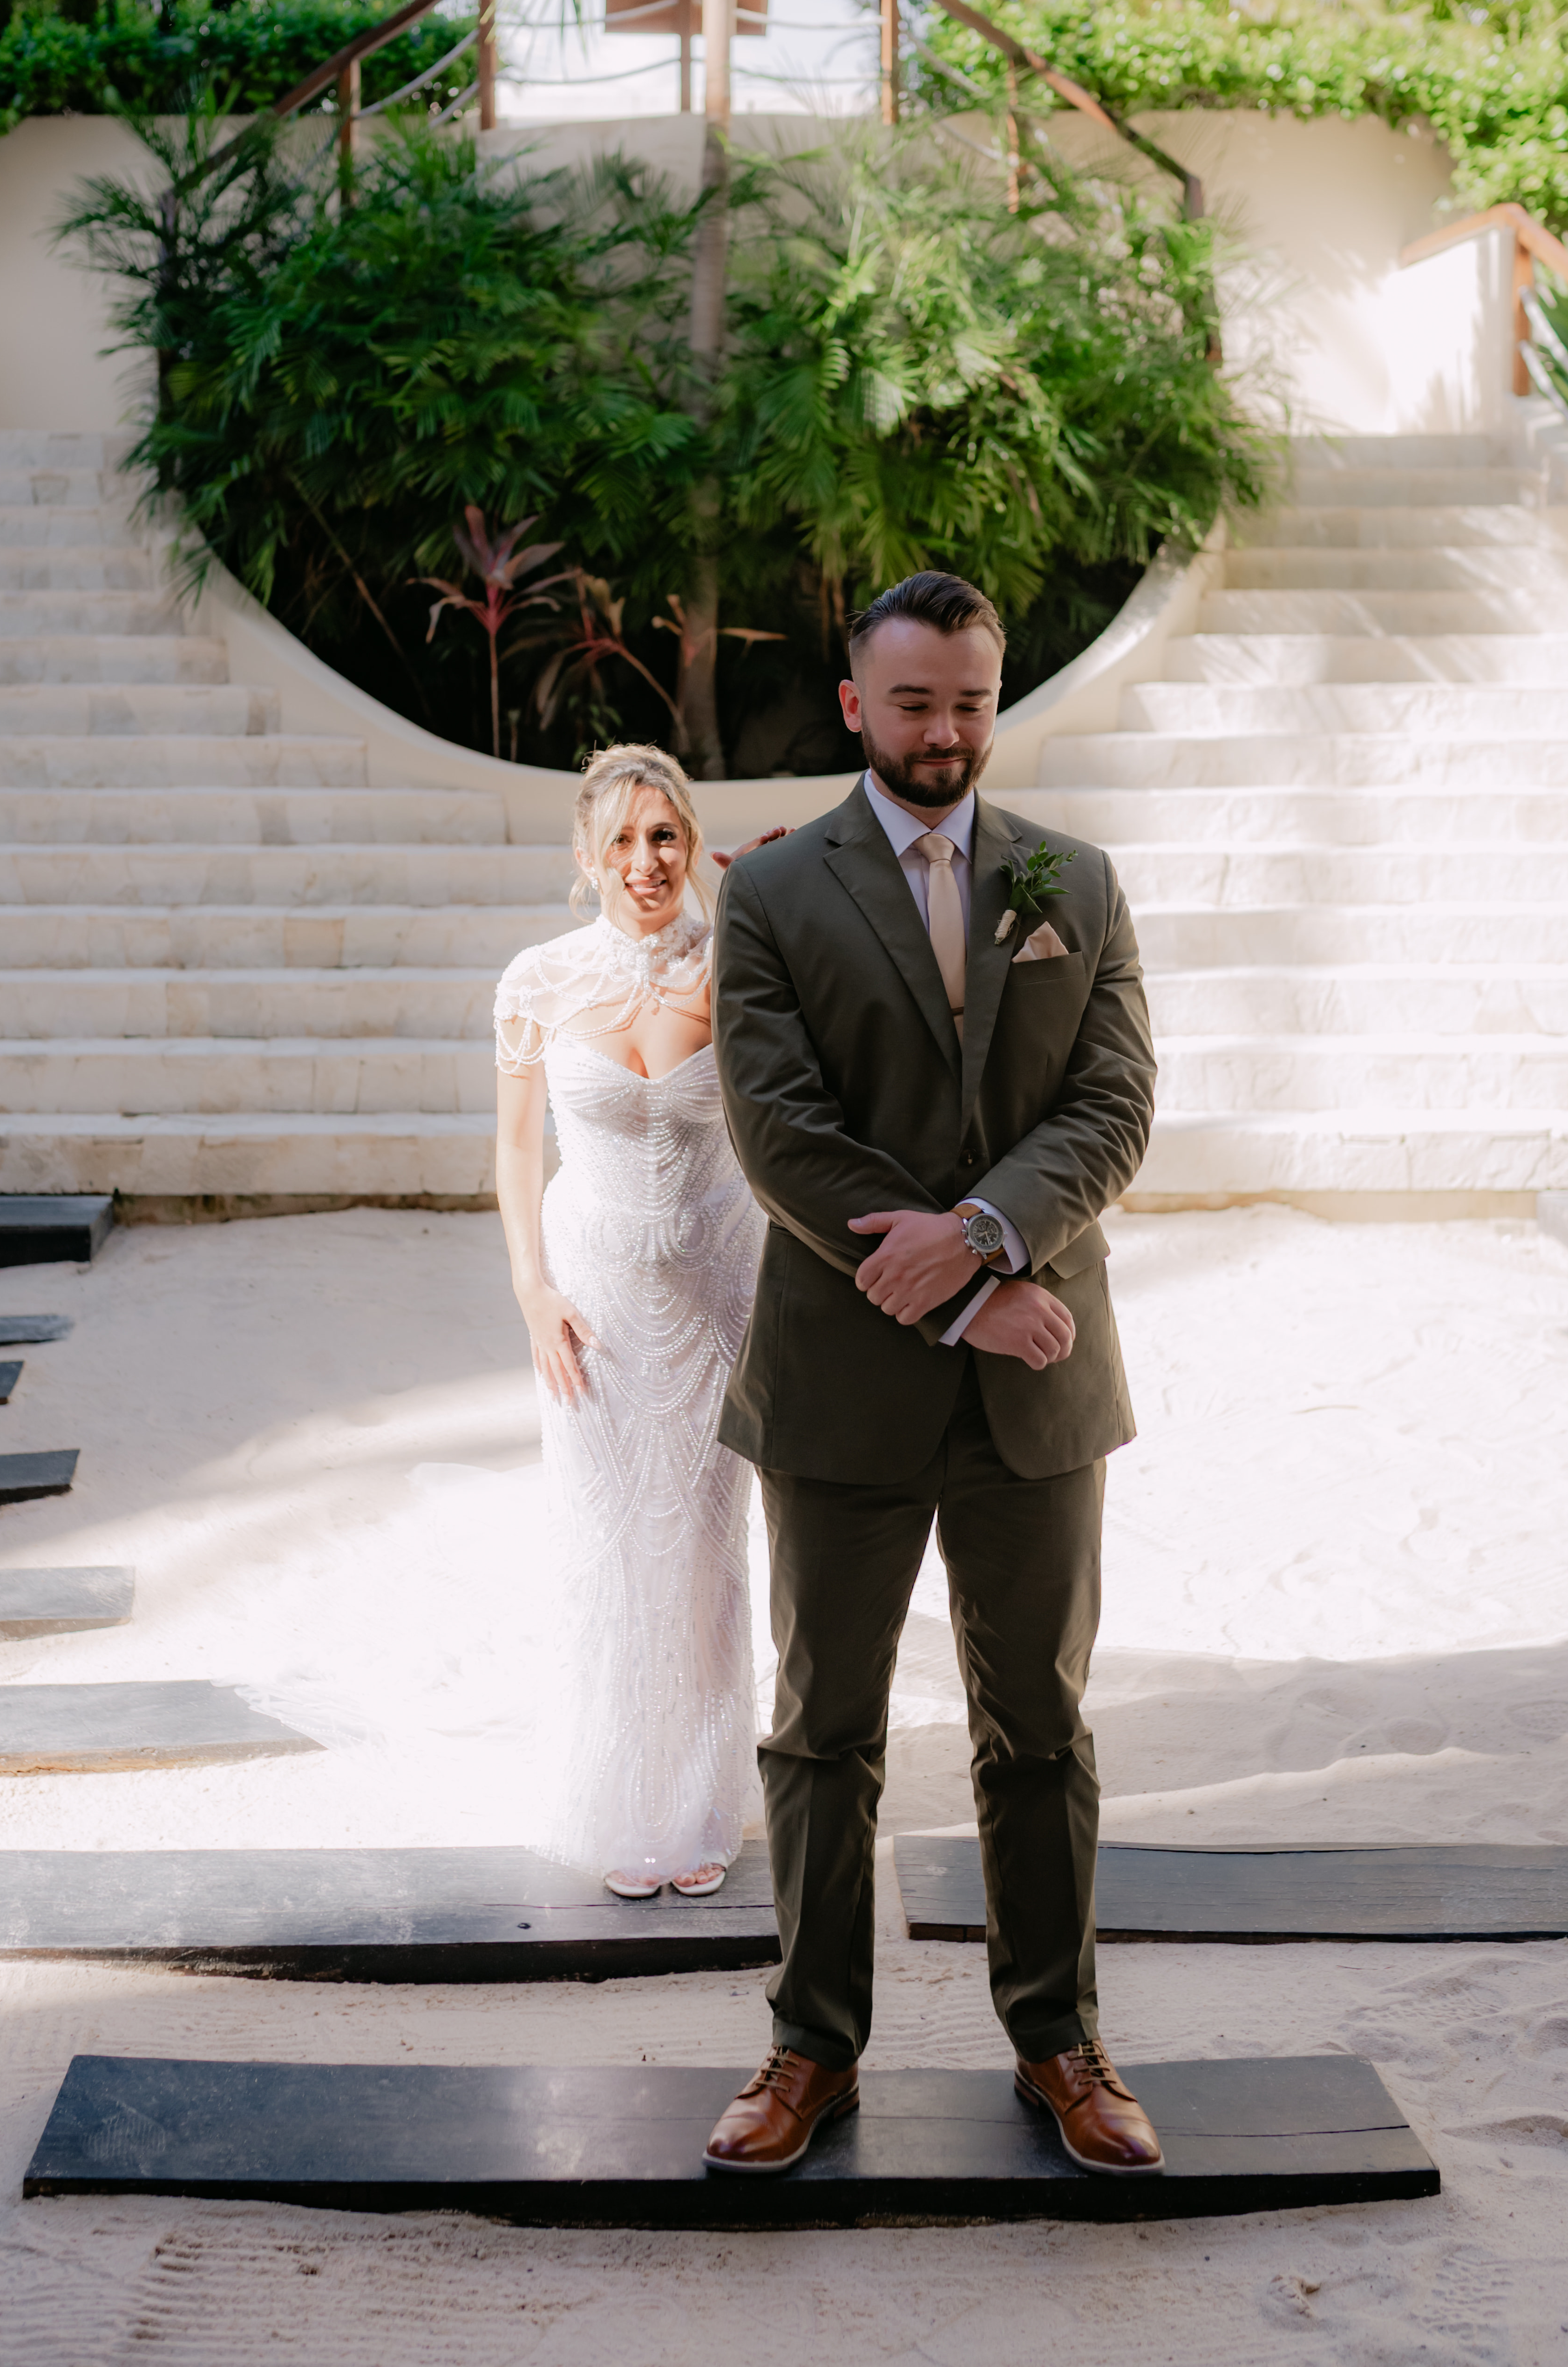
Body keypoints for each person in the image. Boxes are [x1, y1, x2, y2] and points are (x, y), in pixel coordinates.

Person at [703, 570, 1163, 2179]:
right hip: (846, 1380)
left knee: (1036, 1722)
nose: (944, 730)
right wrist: (964, 1300)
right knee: (821, 1726)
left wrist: (981, 1232)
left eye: (969, 699)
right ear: (853, 704)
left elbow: (1110, 1106)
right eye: (912, 702)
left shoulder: (1073, 880)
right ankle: (807, 2047)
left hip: (1041, 1387)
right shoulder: (767, 894)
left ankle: (1059, 2040)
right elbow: (778, 1133)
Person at [493, 744, 780, 1899]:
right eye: (619, 839)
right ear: (584, 856)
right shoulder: (538, 980)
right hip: (593, 1305)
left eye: (663, 835)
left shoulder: (740, 964)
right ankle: (620, 1792)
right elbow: (516, 1149)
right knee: (610, 1541)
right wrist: (532, 1291)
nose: (644, 860)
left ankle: (701, 1798)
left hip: (719, 1291)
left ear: (690, 841)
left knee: (708, 1550)